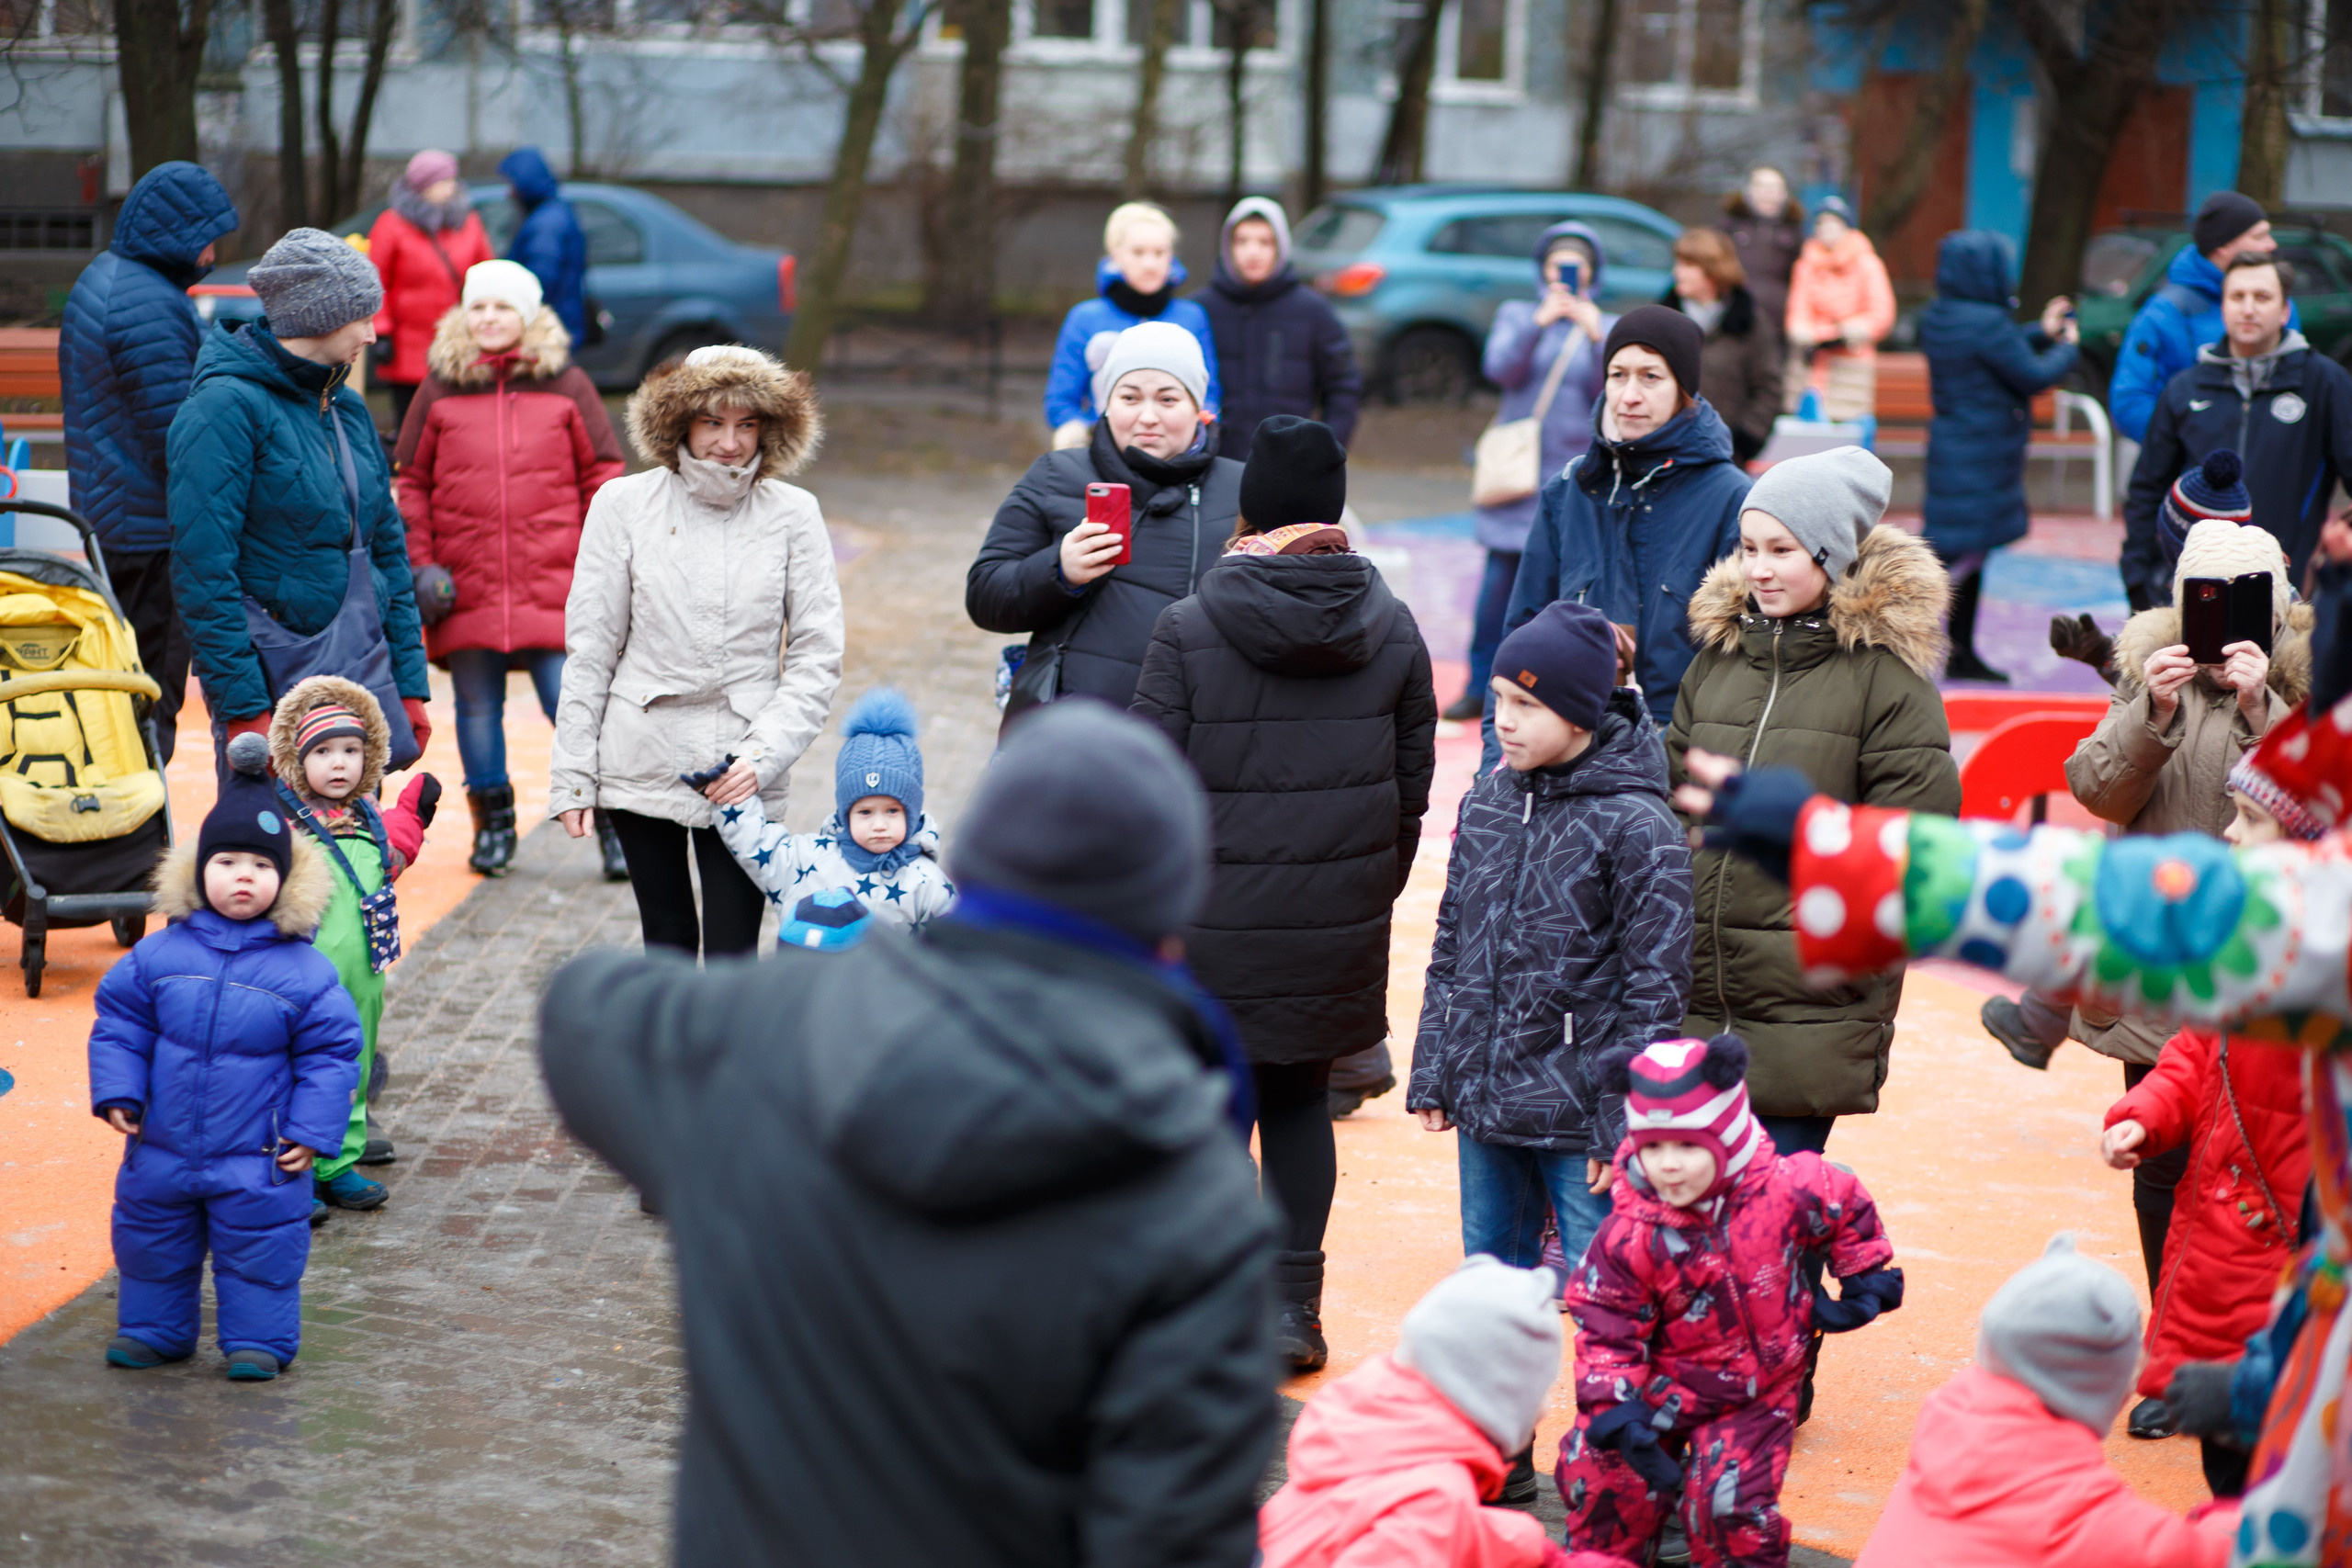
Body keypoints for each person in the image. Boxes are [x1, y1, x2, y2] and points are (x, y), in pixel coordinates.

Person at [536, 699, 1277, 1564]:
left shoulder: (769, 1043)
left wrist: (832, 987)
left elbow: (581, 1010)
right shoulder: (1198, 1200)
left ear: (976, 872)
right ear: (1170, 925)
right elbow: (1175, 1537)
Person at [1130, 415, 1437, 1374]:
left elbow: (1143, 785)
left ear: (1248, 507)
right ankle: (1293, 1313)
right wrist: (1362, 893)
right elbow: (1412, 785)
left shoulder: (1188, 625)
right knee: (1301, 1103)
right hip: (1331, 923)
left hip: (1206, 925)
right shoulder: (1391, 627)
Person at [2050, 520, 2307, 1431]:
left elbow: (2326, 809)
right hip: (2163, 965)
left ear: (2274, 609)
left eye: (2242, 600)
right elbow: (2093, 789)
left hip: (2275, 966)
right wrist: (2149, 718)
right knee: (2161, 1165)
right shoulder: (2149, 673)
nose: (2217, 619)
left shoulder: (2305, 685)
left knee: (2273, 1175)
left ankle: (2271, 1361)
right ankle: (2177, 1357)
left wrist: (2262, 710)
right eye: (2201, 598)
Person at [1668, 446, 1959, 1163]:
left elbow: (1913, 841)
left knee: (1771, 1234)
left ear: (1831, 555)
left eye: (1782, 550)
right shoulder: (1717, 662)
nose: (1758, 568)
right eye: (1748, 548)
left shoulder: (1886, 680)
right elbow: (1667, 802)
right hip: (1694, 1000)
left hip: (1810, 1006)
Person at [1412, 601, 1690, 1308]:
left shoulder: (1637, 822)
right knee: (1489, 1295)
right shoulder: (1488, 800)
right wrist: (1436, 1066)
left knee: (1608, 1303)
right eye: (1500, 698)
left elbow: (1655, 988)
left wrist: (1622, 1116)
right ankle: (1498, 1423)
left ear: (1580, 714)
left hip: (1580, 1112)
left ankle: (1612, 1420)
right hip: (1484, 1096)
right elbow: (1453, 943)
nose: (1503, 719)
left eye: (1527, 704)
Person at [1558, 1032, 1902, 1567]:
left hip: (1755, 1391)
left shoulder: (1787, 1187)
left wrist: (1863, 1277)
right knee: (1604, 1482)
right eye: (1652, 1147)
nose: (1668, 1164)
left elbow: (1842, 1199)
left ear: (1729, 1134)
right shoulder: (1630, 1235)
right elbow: (1606, 1328)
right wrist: (1615, 1412)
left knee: (1729, 1509)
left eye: (1689, 1146)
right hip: (1657, 1388)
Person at [550, 345, 842, 960]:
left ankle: (727, 1058)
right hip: (641, 749)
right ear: (680, 421)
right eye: (713, 421)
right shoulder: (622, 505)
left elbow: (817, 654)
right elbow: (592, 647)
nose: (730, 443)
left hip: (743, 762)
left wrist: (762, 757)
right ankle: (671, 1058)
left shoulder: (795, 515)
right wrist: (573, 775)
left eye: (747, 423)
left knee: (735, 950)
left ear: (772, 427)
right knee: (669, 946)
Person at [89, 732, 363, 1382]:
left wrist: (311, 1129)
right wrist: (119, 1090)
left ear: (286, 880)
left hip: (261, 1153)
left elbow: (331, 1054)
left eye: (263, 867)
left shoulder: (307, 972)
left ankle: (258, 1341)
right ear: (198, 870)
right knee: (153, 1242)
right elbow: (121, 1021)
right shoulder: (160, 955)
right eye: (229, 862)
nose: (244, 875)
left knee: (262, 1251)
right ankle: (154, 1330)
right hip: (163, 1144)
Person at [165, 228, 433, 773]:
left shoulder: (347, 409)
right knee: (273, 856)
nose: (374, 333)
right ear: (321, 315)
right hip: (273, 688)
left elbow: (389, 552)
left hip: (359, 679)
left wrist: (409, 681)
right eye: (363, 316)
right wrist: (243, 707)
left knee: (355, 854)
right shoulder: (223, 410)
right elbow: (202, 572)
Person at [395, 258, 625, 879]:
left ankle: (613, 825)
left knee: (572, 702)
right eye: (479, 306)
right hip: (463, 582)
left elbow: (604, 472)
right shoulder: (439, 385)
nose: (489, 317)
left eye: (502, 307)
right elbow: (410, 480)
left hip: (555, 578)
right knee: (475, 705)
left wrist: (595, 555)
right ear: (464, 315)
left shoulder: (567, 383)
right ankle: (493, 827)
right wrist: (423, 564)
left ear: (526, 316)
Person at [1853, 1235, 2236, 1568]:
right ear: (2103, 1385)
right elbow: (2222, 1555)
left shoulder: (1945, 1436)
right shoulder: (2081, 1516)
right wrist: (2228, 1512)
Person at [1502, 306, 1748, 747]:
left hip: (1678, 747)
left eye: (1651, 377)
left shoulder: (1732, 498)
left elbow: (1742, 664)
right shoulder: (1569, 489)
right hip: (1568, 741)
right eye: (1618, 375)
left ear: (1683, 389)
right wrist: (1494, 762)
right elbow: (1521, 636)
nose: (1629, 395)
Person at [60, 159, 237, 766]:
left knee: (116, 692)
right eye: (209, 236)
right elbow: (180, 433)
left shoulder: (113, 278)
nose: (214, 251)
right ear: (180, 234)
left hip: (116, 515)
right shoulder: (149, 304)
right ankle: (137, 844)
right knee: (148, 696)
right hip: (150, 530)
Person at [969, 321, 1240, 710]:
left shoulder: (1240, 488)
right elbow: (985, 597)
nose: (1148, 417)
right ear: (1106, 405)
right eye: (1130, 398)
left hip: (1198, 735)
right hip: (1074, 732)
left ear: (1198, 408)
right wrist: (1059, 570)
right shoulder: (1056, 474)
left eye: (1167, 400)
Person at [2102, 998, 2309, 1497]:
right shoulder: (2256, 985)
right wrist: (2146, 1113)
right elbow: (2198, 1054)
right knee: (2233, 1477)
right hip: (2230, 1264)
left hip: (2306, 1281)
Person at [1257, 1258, 1572, 1568]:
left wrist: (1525, 1545)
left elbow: (1409, 1515)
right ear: (1508, 1400)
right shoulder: (1435, 1502)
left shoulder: (1366, 1429)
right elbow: (1428, 1519)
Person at [266, 675, 440, 1210]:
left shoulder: (367, 815)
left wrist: (408, 827)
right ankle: (293, 1165)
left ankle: (340, 1159)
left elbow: (386, 864)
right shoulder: (281, 823)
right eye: (323, 752)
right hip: (303, 973)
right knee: (298, 1065)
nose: (339, 763)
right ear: (297, 759)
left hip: (365, 969)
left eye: (351, 751)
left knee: (354, 1065)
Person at [2121, 253, 2352, 611]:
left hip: (2289, 600)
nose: (2248, 308)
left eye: (2262, 297)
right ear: (2223, 306)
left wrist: (2331, 567)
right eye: (2237, 297)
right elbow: (2147, 488)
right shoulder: (2185, 388)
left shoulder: (2325, 383)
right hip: (2195, 598)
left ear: (2285, 310)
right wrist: (2138, 578)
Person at [1454, 221, 1612, 722]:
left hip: (1576, 474)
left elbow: (1606, 393)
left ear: (1593, 272)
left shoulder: (1604, 325)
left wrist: (1594, 333)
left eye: (1576, 266)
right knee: (1499, 585)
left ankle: (1554, 691)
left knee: (1566, 591)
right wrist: (1538, 323)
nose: (1565, 275)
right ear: (1541, 271)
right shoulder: (1519, 314)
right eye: (1556, 266)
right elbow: (1500, 369)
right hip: (1518, 473)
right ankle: (1480, 685)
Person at [1917, 230, 2080, 684]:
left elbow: (2000, 348)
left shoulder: (1943, 316)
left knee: (1963, 555)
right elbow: (2031, 374)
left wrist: (2040, 333)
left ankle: (1960, 649)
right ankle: (1934, 644)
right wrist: (2068, 345)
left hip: (1956, 449)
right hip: (1983, 454)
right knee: (1961, 560)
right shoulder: (1986, 324)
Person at [706, 687, 956, 935]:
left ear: (911, 814)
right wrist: (729, 796)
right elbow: (759, 846)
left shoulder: (927, 882)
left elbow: (955, 947)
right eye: (865, 812)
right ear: (845, 815)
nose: (879, 825)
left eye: (892, 811)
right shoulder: (810, 860)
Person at [2109, 190, 2285, 446]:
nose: (2271, 245)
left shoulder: (2280, 302)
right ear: (2222, 247)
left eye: (2260, 298)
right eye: (2259, 236)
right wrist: (2192, 450)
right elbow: (2130, 402)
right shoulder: (2165, 312)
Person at [1044, 202, 1222, 446]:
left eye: (1159, 253)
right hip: (1101, 454)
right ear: (1115, 255)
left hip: (1178, 458)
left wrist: (1193, 435)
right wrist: (1087, 436)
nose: (1150, 264)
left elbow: (1207, 395)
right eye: (1138, 252)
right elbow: (1061, 401)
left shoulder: (1192, 318)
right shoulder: (1085, 318)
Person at [1199, 197, 1361, 461]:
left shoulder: (1313, 311)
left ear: (1281, 246)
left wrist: (1327, 449)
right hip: (1215, 466)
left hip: (1290, 466)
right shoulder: (1200, 310)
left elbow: (1343, 385)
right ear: (1227, 246)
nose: (1253, 252)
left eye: (1265, 242)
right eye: (1242, 241)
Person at [366, 149, 494, 433]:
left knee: (458, 419)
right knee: (413, 421)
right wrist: (381, 330)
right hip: (407, 342)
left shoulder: (468, 221)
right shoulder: (392, 224)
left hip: (459, 339)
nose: (452, 186)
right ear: (423, 185)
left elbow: (486, 273)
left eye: (452, 179)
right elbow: (375, 280)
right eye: (443, 181)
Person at [1662, 227, 1780, 466]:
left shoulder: (1750, 323)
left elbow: (1769, 387)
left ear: (1713, 271)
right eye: (1678, 263)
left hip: (1725, 458)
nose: (1677, 273)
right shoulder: (1663, 319)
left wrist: (1744, 441)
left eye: (1688, 265)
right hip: (1665, 455)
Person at [1782, 197, 1894, 422]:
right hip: (1811, 357)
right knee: (1807, 429)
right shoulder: (1806, 264)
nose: (1826, 229)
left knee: (1847, 427)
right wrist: (1801, 330)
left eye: (1833, 223)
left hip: (1851, 358)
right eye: (1821, 223)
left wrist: (1855, 329)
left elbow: (1881, 312)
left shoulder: (1867, 263)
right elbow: (1798, 306)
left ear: (1846, 227)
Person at [499, 146, 588, 344]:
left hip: (548, 331)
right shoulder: (552, 212)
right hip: (558, 323)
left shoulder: (546, 224)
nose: (509, 192)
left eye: (512, 184)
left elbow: (540, 280)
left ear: (525, 183)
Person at [1720, 165, 1802, 355]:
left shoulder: (1794, 232)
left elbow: (1803, 279)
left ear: (1784, 195)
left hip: (1778, 326)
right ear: (1749, 191)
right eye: (1762, 187)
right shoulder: (1729, 227)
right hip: (1733, 321)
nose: (1768, 194)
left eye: (1775, 188)